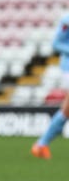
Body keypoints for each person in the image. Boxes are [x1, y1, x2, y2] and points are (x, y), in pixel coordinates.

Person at [31, 12, 69, 159]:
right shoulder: (67, 19)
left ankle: (41, 145)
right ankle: (41, 144)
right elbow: (56, 43)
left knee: (66, 111)